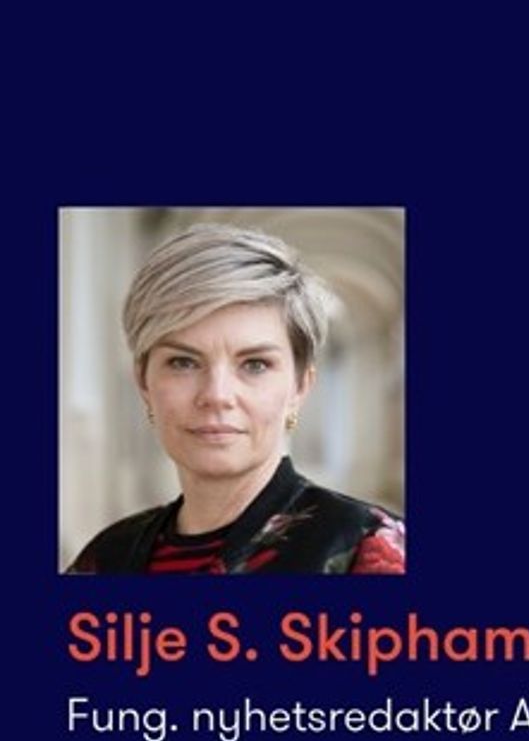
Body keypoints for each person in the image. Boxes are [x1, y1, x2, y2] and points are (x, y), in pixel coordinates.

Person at [67, 223, 406, 574]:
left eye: (255, 364)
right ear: (143, 382)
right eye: (183, 362)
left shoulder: (369, 551)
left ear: (300, 386)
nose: (217, 395)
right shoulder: (106, 558)